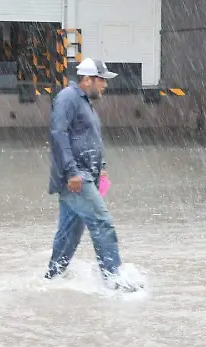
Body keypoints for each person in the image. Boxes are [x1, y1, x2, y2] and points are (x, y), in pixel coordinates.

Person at [44, 58, 139, 293]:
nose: (105, 86)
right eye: (102, 80)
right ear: (87, 79)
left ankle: (50, 280)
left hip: (85, 175)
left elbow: (89, 139)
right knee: (102, 222)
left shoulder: (85, 102)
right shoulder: (68, 98)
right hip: (76, 178)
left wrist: (101, 167)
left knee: (70, 234)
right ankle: (114, 280)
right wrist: (72, 172)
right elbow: (58, 134)